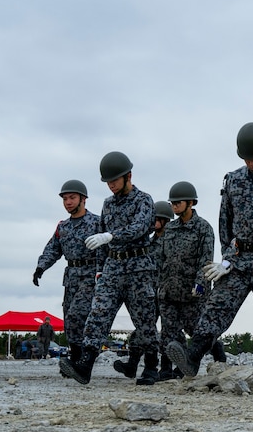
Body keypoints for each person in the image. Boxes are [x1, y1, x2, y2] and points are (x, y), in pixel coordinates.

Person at [167, 122, 253, 385]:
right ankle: (192, 357)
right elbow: (224, 222)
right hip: (239, 260)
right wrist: (227, 258)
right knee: (217, 307)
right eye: (246, 159)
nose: (251, 163)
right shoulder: (233, 180)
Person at [59, 151, 159, 385]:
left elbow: (140, 227)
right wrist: (100, 268)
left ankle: (152, 367)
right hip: (112, 267)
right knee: (98, 314)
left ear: (128, 176)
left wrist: (110, 236)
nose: (111, 186)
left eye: (115, 180)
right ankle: (85, 365)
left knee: (144, 319)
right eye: (108, 182)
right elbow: (101, 238)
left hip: (138, 267)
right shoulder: (108, 204)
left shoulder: (144, 200)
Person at [154, 182, 223, 381]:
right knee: (169, 332)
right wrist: (159, 284)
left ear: (191, 203)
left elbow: (206, 259)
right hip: (169, 290)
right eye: (172, 203)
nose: (174, 206)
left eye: (178, 202)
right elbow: (161, 258)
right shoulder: (170, 229)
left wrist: (201, 284)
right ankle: (168, 370)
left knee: (196, 330)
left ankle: (218, 353)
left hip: (193, 292)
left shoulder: (203, 228)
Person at [33, 179, 104, 365]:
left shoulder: (97, 223)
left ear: (84, 199)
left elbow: (107, 250)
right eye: (65, 199)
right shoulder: (63, 227)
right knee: (68, 318)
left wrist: (103, 272)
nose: (68, 202)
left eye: (72, 198)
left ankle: (81, 358)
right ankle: (76, 357)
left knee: (77, 315)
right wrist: (41, 267)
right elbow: (53, 249)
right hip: (71, 277)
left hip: (91, 276)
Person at [113, 199, 174, 383]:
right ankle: (132, 364)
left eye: (156, 219)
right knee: (143, 330)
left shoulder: (170, 240)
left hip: (167, 292)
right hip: (149, 290)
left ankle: (166, 368)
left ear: (164, 220)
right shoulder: (149, 242)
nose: (152, 222)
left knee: (168, 331)